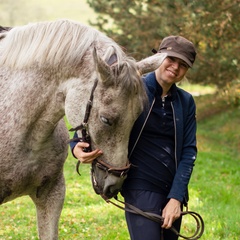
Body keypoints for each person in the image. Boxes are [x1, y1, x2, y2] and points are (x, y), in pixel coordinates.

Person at [70, 35, 197, 240]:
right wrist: (75, 145)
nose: (175, 67)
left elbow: (188, 151)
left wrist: (176, 197)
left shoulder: (186, 101)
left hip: (172, 188)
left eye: (183, 64)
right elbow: (101, 118)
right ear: (158, 58)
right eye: (171, 59)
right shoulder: (132, 87)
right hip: (139, 185)